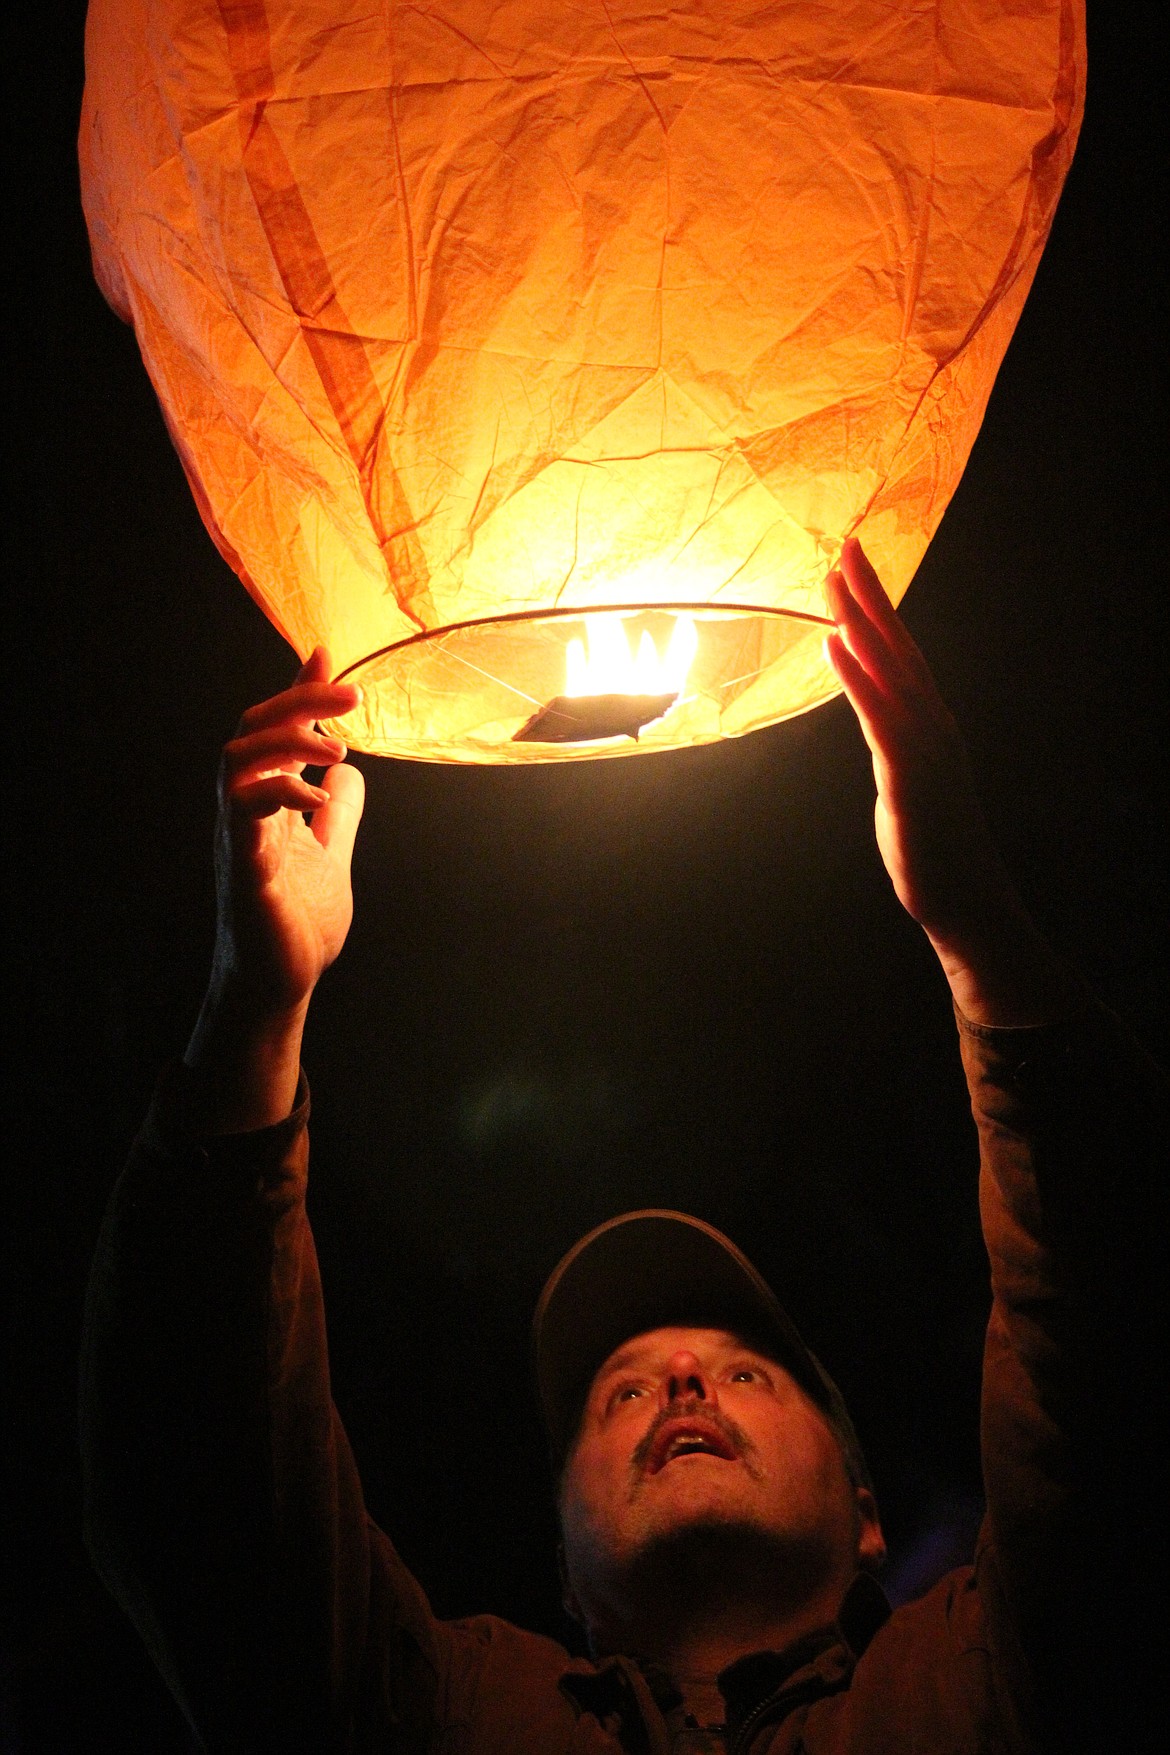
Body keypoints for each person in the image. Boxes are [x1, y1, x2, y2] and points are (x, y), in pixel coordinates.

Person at [80, 541, 1165, 1754]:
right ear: (565, 1561)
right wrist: (252, 1006)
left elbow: (1109, 1375)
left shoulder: (995, 1688)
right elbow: (207, 1500)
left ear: (868, 1513)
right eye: (624, 1395)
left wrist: (982, 930)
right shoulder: (440, 1722)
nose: (686, 1387)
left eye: (745, 1372)